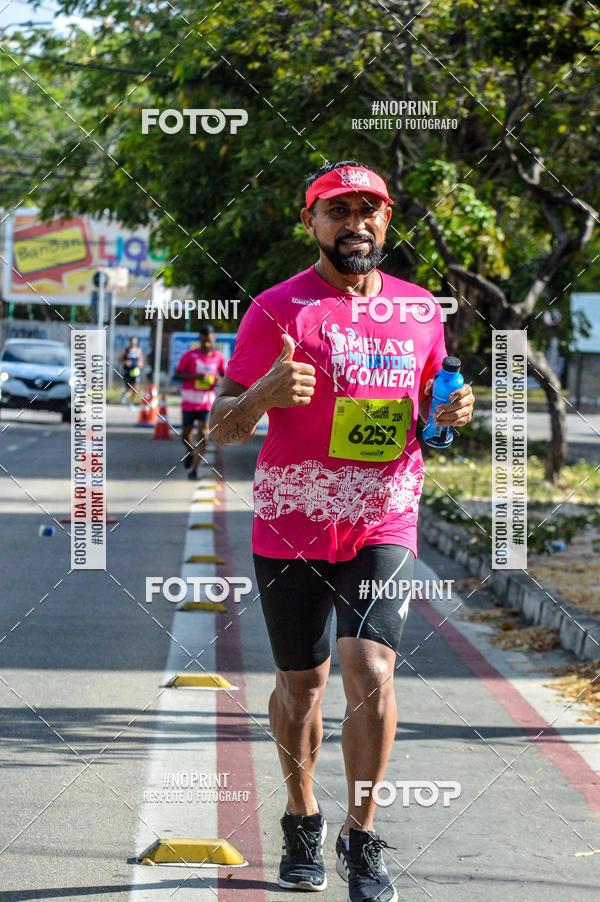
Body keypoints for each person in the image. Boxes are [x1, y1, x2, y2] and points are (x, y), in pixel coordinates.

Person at [209, 160, 475, 901]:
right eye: (337, 210)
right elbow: (216, 433)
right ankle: (301, 816)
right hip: (291, 521)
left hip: (383, 516)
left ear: (386, 221)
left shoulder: (423, 310)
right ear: (311, 222)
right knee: (302, 686)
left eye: (369, 210)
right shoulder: (276, 309)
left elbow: (431, 421)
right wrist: (261, 393)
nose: (354, 223)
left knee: (371, 670)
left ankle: (360, 838)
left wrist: (450, 417)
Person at [173, 325, 226, 480]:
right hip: (189, 400)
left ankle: (194, 470)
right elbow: (177, 374)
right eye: (204, 341)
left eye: (209, 341)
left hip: (207, 401)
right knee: (185, 435)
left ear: (213, 339)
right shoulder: (189, 356)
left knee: (204, 434)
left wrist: (219, 379)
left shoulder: (219, 357)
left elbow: (224, 375)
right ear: (199, 340)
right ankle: (191, 451)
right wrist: (196, 377)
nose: (207, 344)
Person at [118, 336, 143, 408]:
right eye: (132, 342)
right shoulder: (125, 350)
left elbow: (141, 361)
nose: (133, 344)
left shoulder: (138, 351)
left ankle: (131, 404)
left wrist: (139, 364)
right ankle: (124, 393)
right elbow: (119, 359)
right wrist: (125, 362)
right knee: (128, 387)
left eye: (135, 342)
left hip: (135, 372)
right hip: (127, 372)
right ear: (130, 342)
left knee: (135, 388)